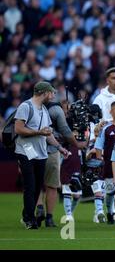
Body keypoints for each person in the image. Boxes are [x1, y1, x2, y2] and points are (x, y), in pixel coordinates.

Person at [14, 81, 68, 229]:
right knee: (30, 186)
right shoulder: (26, 106)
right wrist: (39, 132)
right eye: (51, 93)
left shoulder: (44, 109)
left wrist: (59, 147)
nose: (53, 96)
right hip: (25, 150)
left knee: (37, 187)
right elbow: (18, 129)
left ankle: (27, 215)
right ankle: (29, 219)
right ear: (44, 92)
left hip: (41, 153)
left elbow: (48, 133)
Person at [35, 99, 87, 227]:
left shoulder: (75, 122)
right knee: (45, 184)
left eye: (70, 109)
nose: (67, 112)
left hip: (52, 152)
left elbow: (83, 139)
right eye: (65, 109)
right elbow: (74, 139)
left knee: (46, 184)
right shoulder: (54, 119)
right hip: (53, 151)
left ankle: (45, 213)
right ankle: (45, 213)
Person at [93, 101, 115, 224]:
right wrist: (99, 159)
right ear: (111, 112)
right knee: (110, 191)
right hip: (108, 164)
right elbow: (98, 145)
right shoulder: (106, 128)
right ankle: (109, 211)